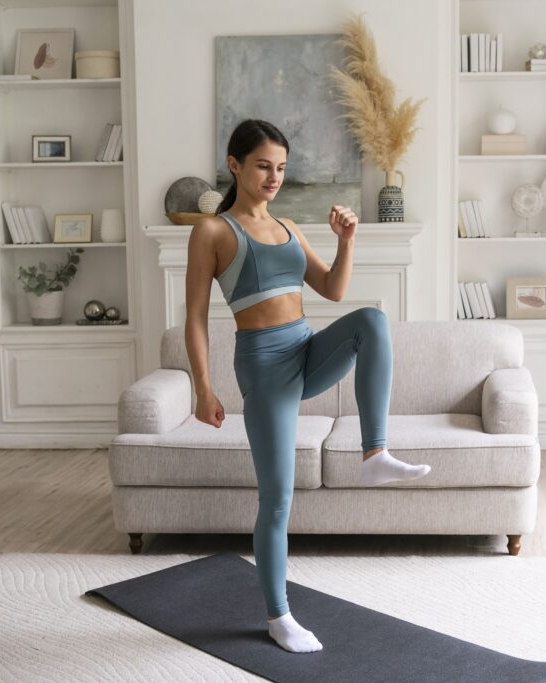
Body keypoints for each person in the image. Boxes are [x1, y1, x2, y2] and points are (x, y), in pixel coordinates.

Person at [184, 119, 432, 654]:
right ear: (235, 165)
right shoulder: (212, 232)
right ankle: (278, 616)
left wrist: (347, 242)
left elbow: (334, 290)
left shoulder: (291, 227)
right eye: (262, 166)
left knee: (372, 321)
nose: (273, 177)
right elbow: (197, 318)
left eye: (280, 168)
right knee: (276, 500)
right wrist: (203, 388)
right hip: (264, 367)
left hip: (306, 348)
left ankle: (374, 453)